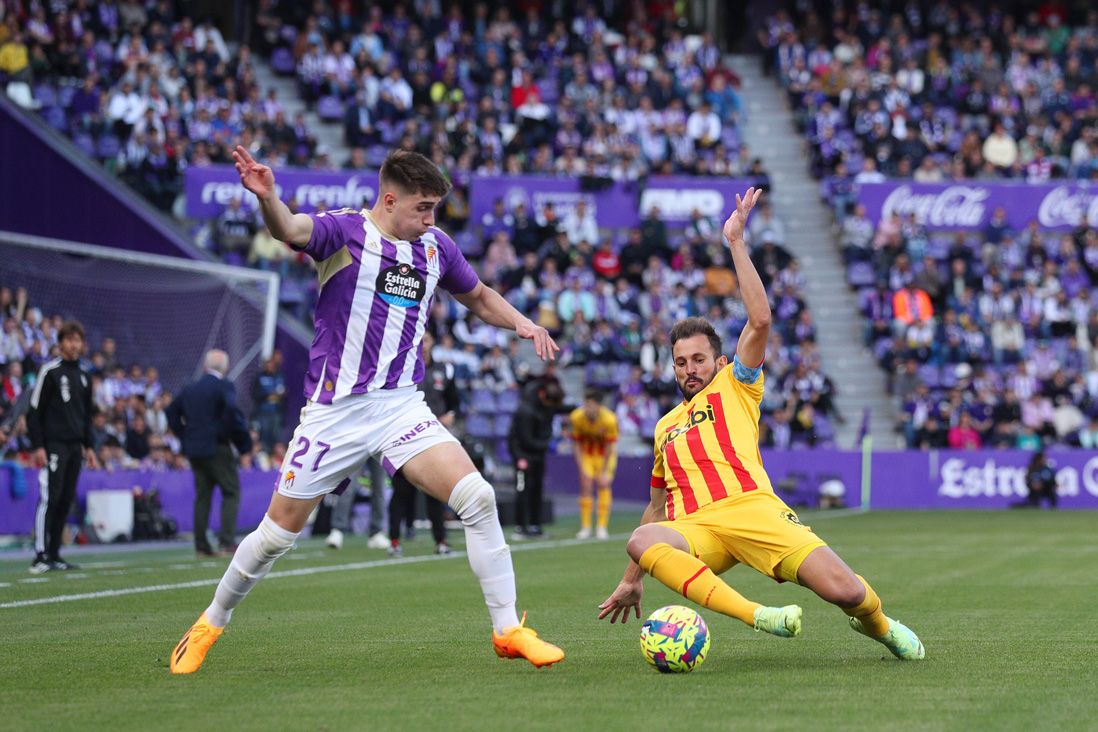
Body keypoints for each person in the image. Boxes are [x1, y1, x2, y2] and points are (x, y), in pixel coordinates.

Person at [170, 146, 564, 674]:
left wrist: (522, 323)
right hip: (336, 411)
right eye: (422, 208)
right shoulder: (344, 232)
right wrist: (268, 198)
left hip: (401, 405)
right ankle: (209, 623)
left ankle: (508, 631)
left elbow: (478, 295)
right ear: (389, 198)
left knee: (478, 496)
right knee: (275, 537)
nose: (430, 220)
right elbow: (290, 228)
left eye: (434, 210)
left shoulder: (435, 247)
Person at [597, 188, 924, 661]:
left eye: (698, 359)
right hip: (698, 530)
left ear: (719, 361)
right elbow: (655, 508)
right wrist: (631, 581)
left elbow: (761, 318)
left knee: (846, 592)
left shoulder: (736, 385)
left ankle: (881, 626)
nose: (689, 368)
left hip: (754, 510)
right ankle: (757, 615)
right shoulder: (664, 426)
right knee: (642, 537)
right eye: (680, 362)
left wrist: (735, 242)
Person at [26, 321, 98, 574]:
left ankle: (55, 553)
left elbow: (86, 414)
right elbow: (33, 412)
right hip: (53, 445)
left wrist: (89, 446)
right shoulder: (50, 371)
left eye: (77, 340)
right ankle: (40, 555)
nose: (74, 344)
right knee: (50, 498)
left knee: (66, 500)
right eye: (69, 340)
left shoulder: (85, 375)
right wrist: (38, 446)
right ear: (60, 343)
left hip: (74, 447)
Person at [166, 350, 253, 558]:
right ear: (224, 367)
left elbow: (171, 411)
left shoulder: (190, 387)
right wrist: (241, 444)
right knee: (231, 492)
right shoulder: (224, 385)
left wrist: (185, 436)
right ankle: (226, 542)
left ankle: (201, 545)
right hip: (217, 447)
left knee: (202, 497)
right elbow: (232, 413)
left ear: (206, 366)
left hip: (195, 450)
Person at [387, 330, 459, 557]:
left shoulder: (444, 370)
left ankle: (441, 541)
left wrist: (450, 415)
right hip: (404, 438)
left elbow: (455, 402)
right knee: (401, 493)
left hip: (432, 440)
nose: (422, 344)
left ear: (432, 342)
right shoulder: (401, 367)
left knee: (435, 492)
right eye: (419, 339)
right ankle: (394, 541)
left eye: (426, 339)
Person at [507, 379, 565, 540]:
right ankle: (521, 527)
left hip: (538, 455)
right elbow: (526, 440)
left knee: (537, 490)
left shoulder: (546, 406)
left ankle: (535, 525)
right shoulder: (526, 411)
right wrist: (550, 445)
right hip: (523, 456)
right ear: (542, 395)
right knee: (522, 490)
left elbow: (561, 408)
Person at [568, 388, 619, 540]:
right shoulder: (576, 417)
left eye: (591, 405)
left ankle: (602, 527)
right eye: (586, 404)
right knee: (586, 486)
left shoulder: (609, 419)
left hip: (605, 456)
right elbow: (576, 444)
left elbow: (610, 447)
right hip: (587, 455)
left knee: (603, 484)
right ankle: (586, 527)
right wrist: (581, 467)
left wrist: (603, 470)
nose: (587, 409)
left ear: (599, 406)